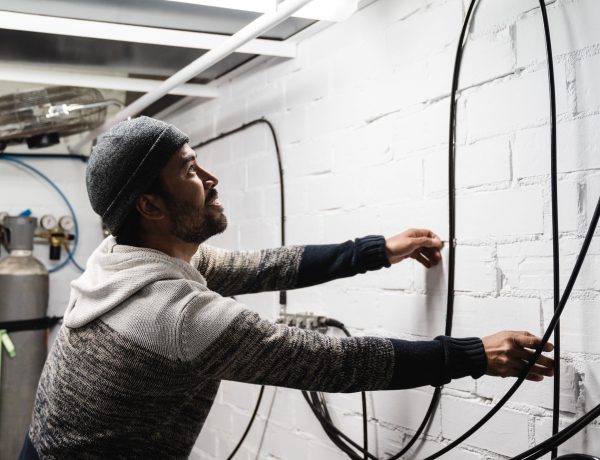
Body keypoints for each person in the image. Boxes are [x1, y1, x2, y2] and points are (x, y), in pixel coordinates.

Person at [20, 117, 554, 459]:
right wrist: (475, 354)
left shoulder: (123, 258)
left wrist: (377, 250)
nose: (212, 179)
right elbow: (331, 363)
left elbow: (267, 266)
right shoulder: (171, 313)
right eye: (188, 169)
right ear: (150, 207)